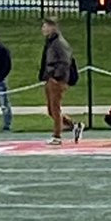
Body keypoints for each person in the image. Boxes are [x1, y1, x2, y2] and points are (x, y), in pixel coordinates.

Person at [39, 17, 81, 145]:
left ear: (53, 27)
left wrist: (57, 77)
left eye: (45, 26)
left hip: (57, 80)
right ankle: (73, 125)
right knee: (51, 110)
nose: (43, 29)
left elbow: (65, 62)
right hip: (50, 78)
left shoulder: (59, 43)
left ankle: (57, 136)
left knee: (55, 108)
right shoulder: (50, 42)